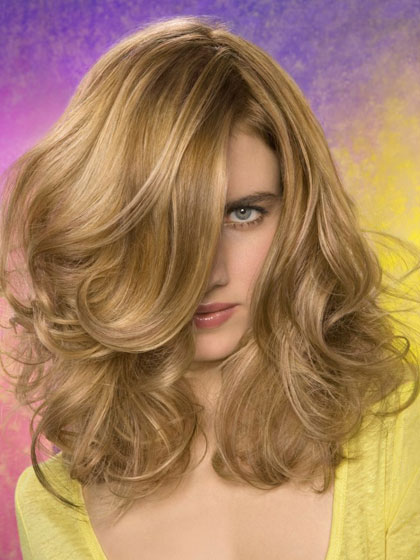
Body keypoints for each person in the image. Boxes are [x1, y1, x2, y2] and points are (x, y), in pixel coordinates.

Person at [1, 14, 420, 560]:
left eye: (243, 213)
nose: (207, 272)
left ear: (299, 215)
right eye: (163, 225)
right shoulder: (50, 507)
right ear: (105, 233)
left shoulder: (403, 441)